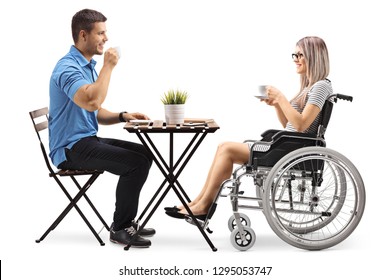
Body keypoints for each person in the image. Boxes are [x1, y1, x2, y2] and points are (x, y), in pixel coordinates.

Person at [165, 36, 333, 221]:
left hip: (293, 149)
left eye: (301, 55)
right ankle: (197, 202)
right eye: (295, 54)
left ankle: (204, 206)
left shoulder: (320, 86)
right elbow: (290, 125)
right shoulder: (309, 87)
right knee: (223, 147)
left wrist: (282, 98)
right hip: (288, 144)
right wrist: (277, 104)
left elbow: (302, 126)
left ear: (314, 56)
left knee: (227, 148)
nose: (296, 59)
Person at [49, 8, 155, 248]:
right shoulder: (67, 69)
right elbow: (92, 101)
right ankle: (120, 228)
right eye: (101, 33)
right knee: (135, 163)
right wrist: (108, 67)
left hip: (86, 141)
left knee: (145, 154)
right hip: (69, 150)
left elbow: (94, 111)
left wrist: (121, 115)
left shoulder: (85, 66)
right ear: (83, 35)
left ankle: (127, 220)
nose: (106, 39)